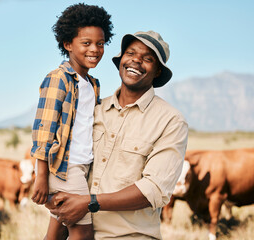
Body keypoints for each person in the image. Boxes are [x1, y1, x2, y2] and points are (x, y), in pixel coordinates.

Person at [47, 30, 189, 239]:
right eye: (130, 53)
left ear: (157, 71)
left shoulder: (171, 121)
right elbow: (71, 168)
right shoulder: (93, 109)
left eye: (148, 58)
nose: (136, 61)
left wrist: (90, 203)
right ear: (121, 59)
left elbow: (154, 189)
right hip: (77, 233)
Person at [30, 3, 114, 240]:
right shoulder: (58, 79)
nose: (95, 49)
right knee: (84, 233)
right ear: (68, 44)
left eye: (100, 43)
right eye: (86, 43)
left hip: (83, 166)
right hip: (65, 168)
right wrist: (41, 176)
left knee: (57, 232)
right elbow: (43, 129)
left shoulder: (92, 84)